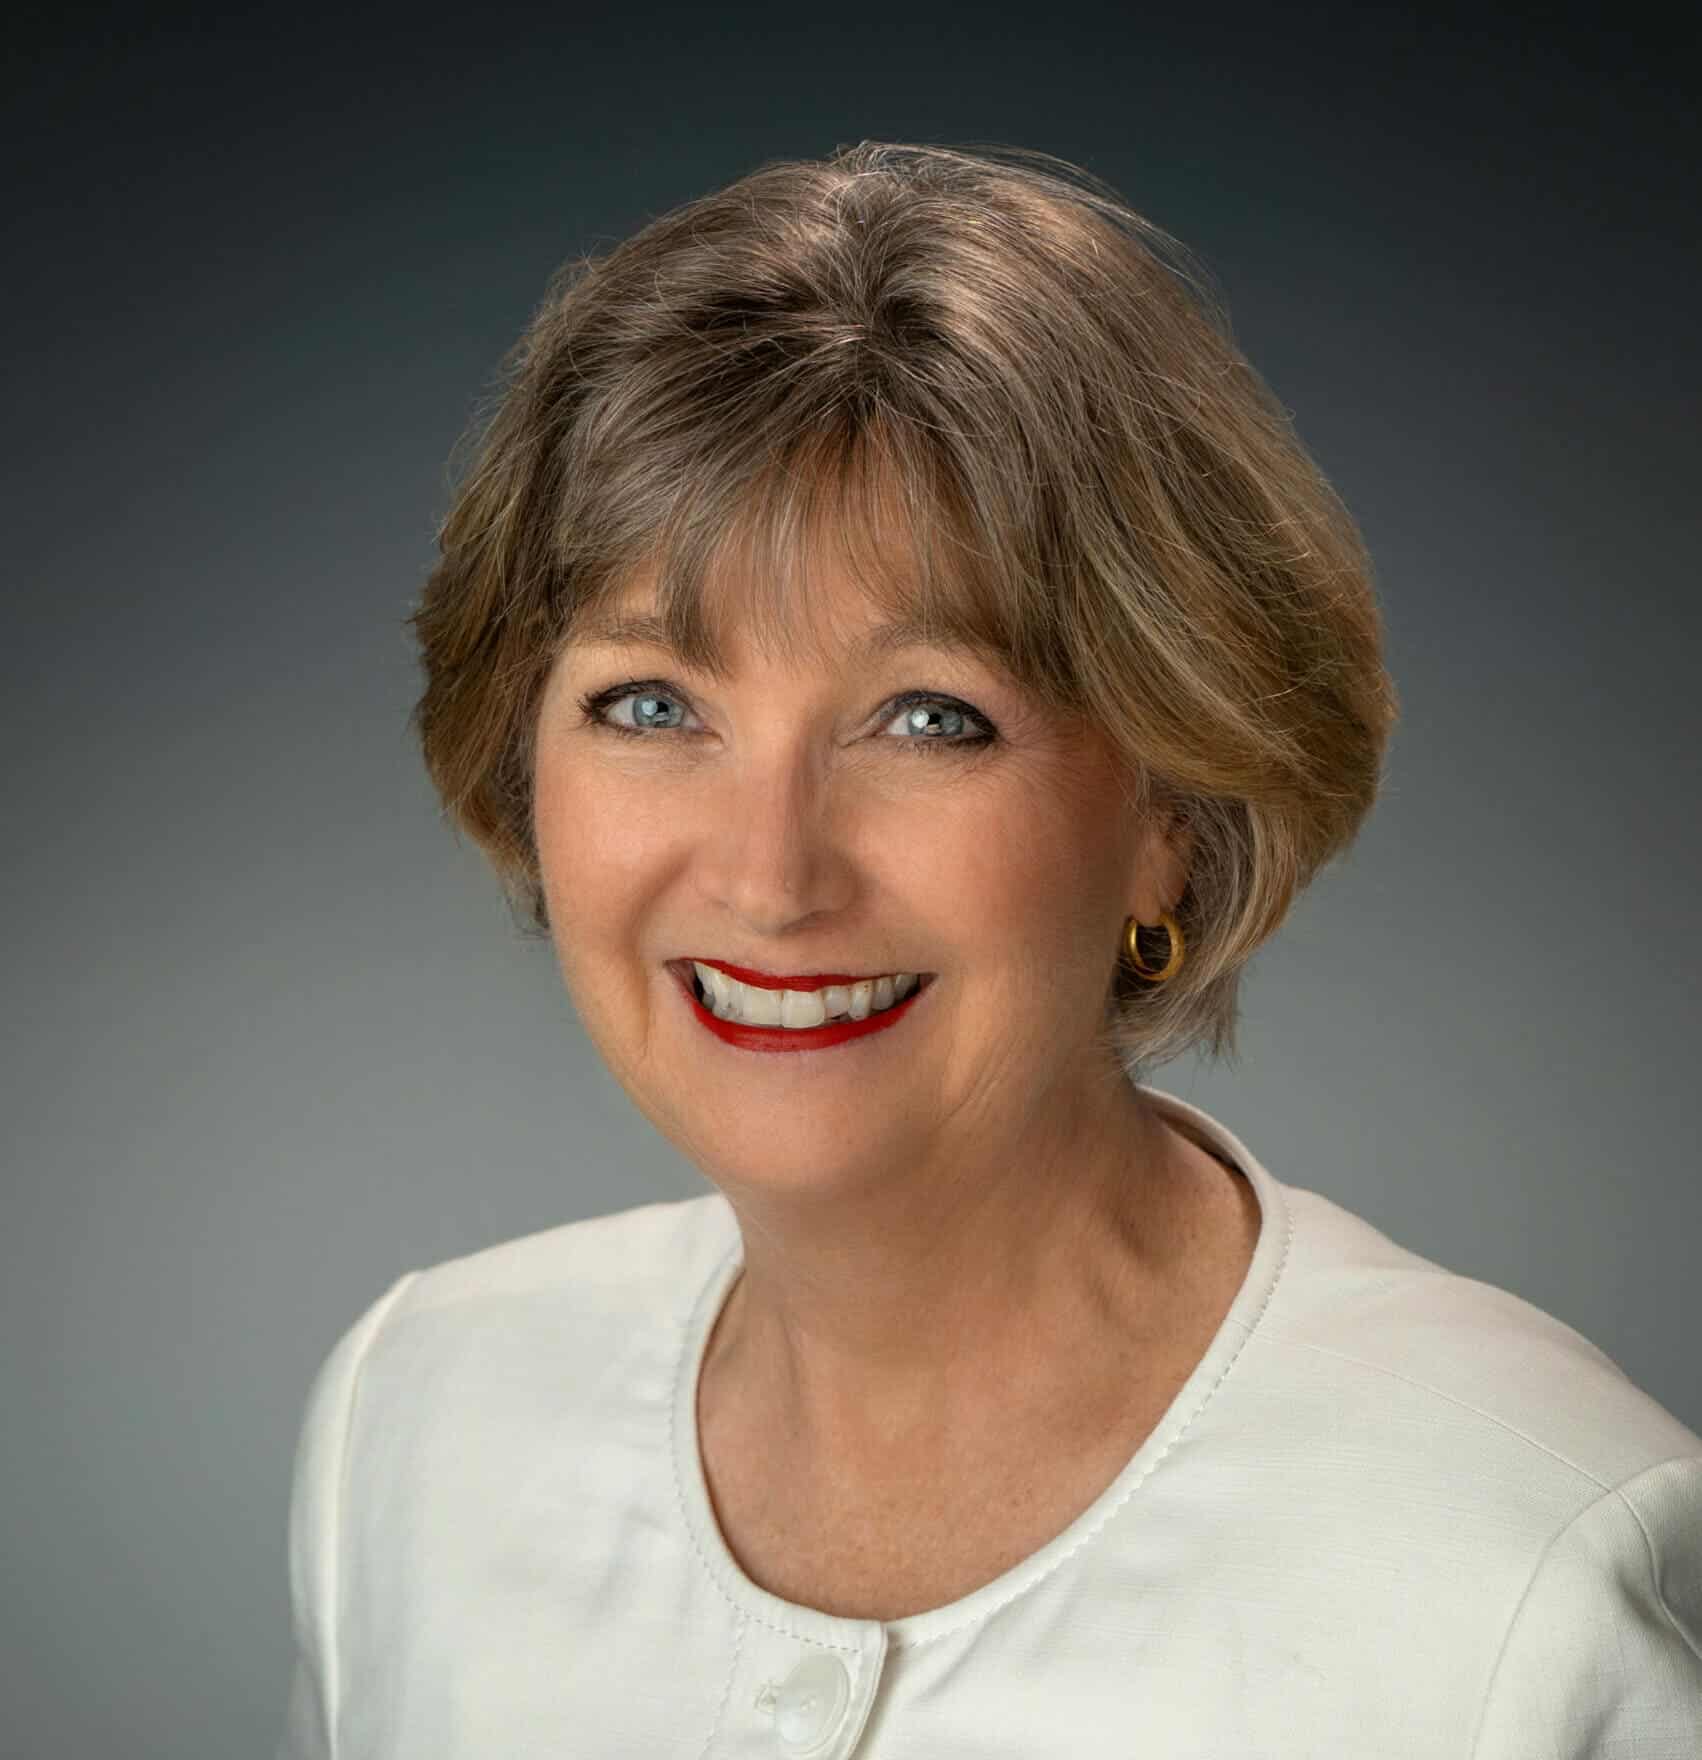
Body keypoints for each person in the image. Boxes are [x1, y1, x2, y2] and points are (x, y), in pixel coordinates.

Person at [278, 142, 1702, 1757]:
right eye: (653, 705)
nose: (765, 875)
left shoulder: (1527, 1569)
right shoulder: (415, 1417)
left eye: (929, 718)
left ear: (1174, 797)